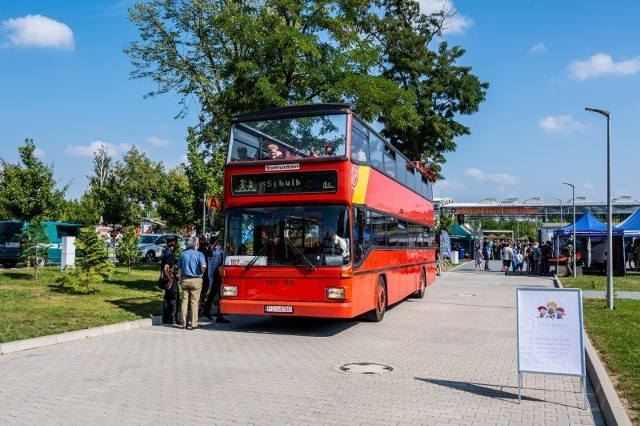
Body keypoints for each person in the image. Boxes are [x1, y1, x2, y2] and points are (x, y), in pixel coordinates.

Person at [178, 236, 207, 330]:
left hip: (185, 279)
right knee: (194, 302)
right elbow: (203, 266)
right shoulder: (200, 254)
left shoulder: (183, 254)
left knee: (184, 301)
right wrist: (202, 271)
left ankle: (183, 323)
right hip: (196, 280)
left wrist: (180, 279)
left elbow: (180, 268)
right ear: (196, 244)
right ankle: (194, 324)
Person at [202, 238, 230, 323]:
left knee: (214, 294)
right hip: (214, 274)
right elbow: (210, 253)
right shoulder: (209, 251)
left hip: (218, 274)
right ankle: (219, 315)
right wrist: (215, 243)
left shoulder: (218, 251)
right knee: (219, 295)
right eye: (216, 243)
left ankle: (207, 310)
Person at [160, 236, 179, 325]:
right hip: (169, 279)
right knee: (173, 298)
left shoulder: (165, 252)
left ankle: (166, 318)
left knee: (167, 298)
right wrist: (171, 279)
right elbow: (166, 268)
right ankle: (173, 318)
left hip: (166, 278)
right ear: (174, 243)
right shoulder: (169, 253)